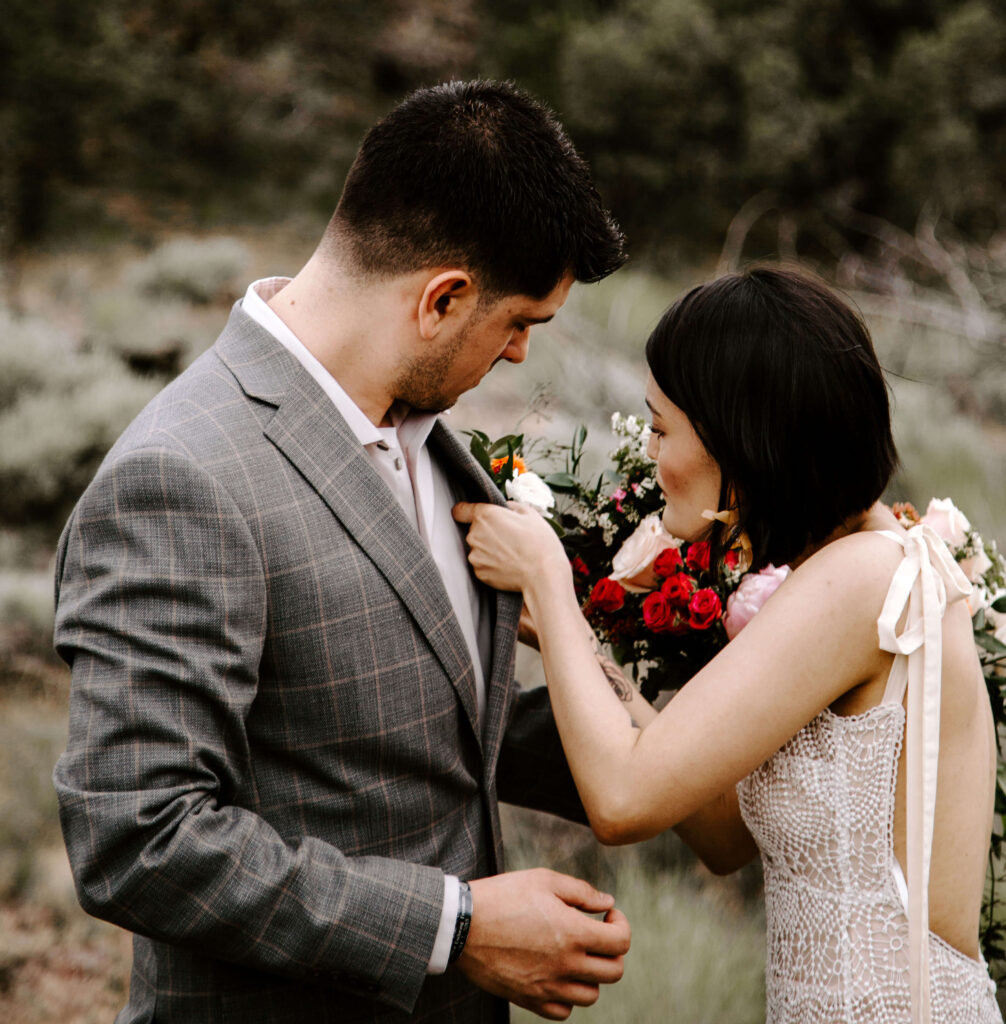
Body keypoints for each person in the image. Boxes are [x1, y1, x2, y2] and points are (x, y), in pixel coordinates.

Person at [52, 80, 632, 1024]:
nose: (520, 355)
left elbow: (416, 730)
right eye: (520, 322)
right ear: (442, 298)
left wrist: (682, 741)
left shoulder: (425, 435)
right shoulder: (182, 477)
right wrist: (457, 925)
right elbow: (138, 837)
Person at [455, 267, 1003, 1023]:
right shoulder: (862, 560)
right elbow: (722, 832)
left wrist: (549, 577)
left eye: (659, 427)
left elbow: (622, 800)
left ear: (740, 442)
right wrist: (566, 636)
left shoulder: (865, 582)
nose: (649, 454)